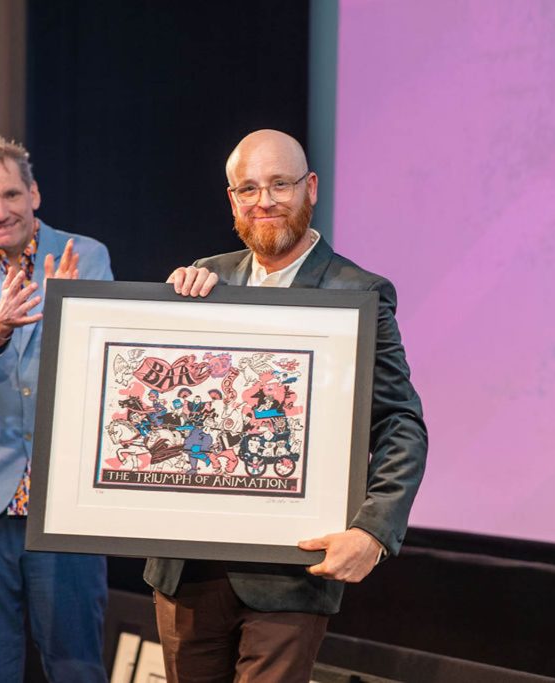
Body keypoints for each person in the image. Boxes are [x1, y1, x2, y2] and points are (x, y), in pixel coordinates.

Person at [146, 129, 427, 682]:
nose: (264, 201)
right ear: (232, 199)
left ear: (311, 188)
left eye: (281, 184)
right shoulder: (205, 280)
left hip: (291, 569)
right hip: (189, 567)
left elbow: (401, 423)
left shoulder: (358, 293)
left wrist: (373, 532)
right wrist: (164, 318)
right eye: (248, 188)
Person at [0, 135, 112, 682]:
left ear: (34, 193)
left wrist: (67, 309)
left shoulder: (86, 254)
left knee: (77, 666)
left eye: (10, 195)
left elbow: (102, 366)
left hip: (62, 500)